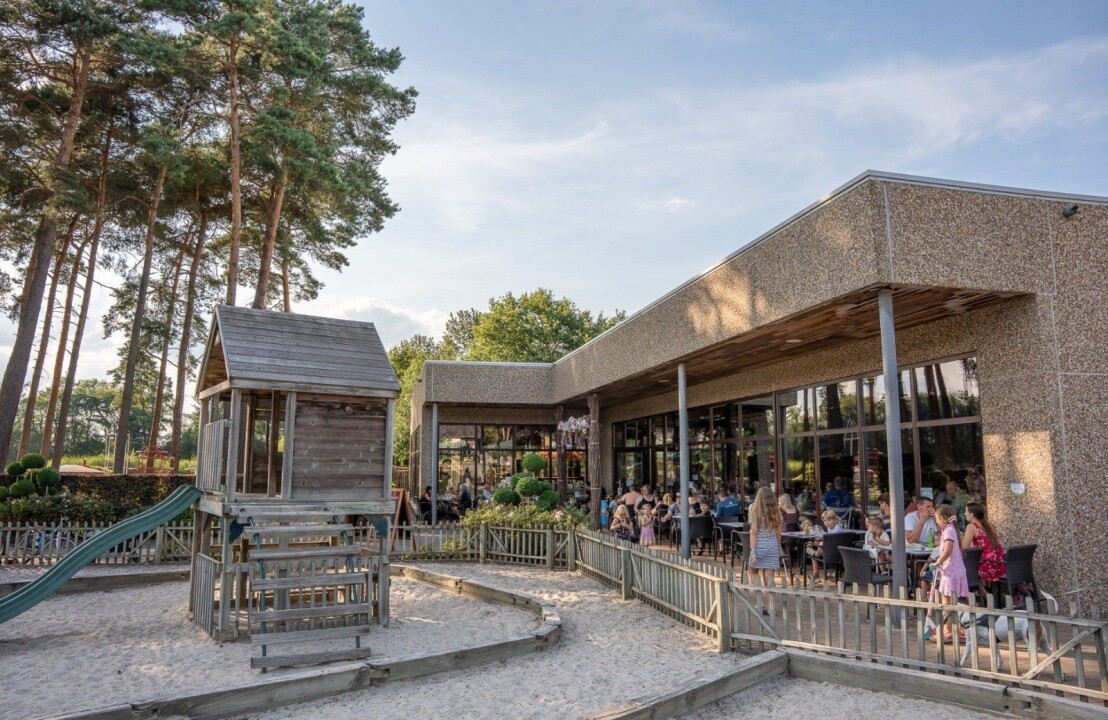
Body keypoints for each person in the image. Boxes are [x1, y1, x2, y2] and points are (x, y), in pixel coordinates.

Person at [933, 504, 969, 642]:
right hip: (956, 570)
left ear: (942, 518)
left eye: (937, 518)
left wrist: (938, 561)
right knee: (957, 601)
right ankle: (957, 628)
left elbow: (948, 549)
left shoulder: (948, 531)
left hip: (951, 572)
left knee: (947, 602)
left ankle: (948, 631)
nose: (936, 522)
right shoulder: (952, 529)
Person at [747, 488, 782, 611]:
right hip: (772, 546)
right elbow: (778, 532)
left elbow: (754, 532)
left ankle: (759, 603)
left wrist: (752, 550)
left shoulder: (756, 512)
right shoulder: (776, 512)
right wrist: (777, 546)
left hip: (759, 546)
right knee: (769, 578)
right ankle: (770, 605)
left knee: (752, 572)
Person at [961, 503, 1006, 587]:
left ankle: (984, 593)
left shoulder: (971, 526)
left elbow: (964, 548)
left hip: (987, 566)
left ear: (971, 515)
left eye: (966, 511)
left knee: (964, 568)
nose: (965, 513)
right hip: (1000, 564)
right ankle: (984, 592)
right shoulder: (989, 524)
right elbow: (986, 544)